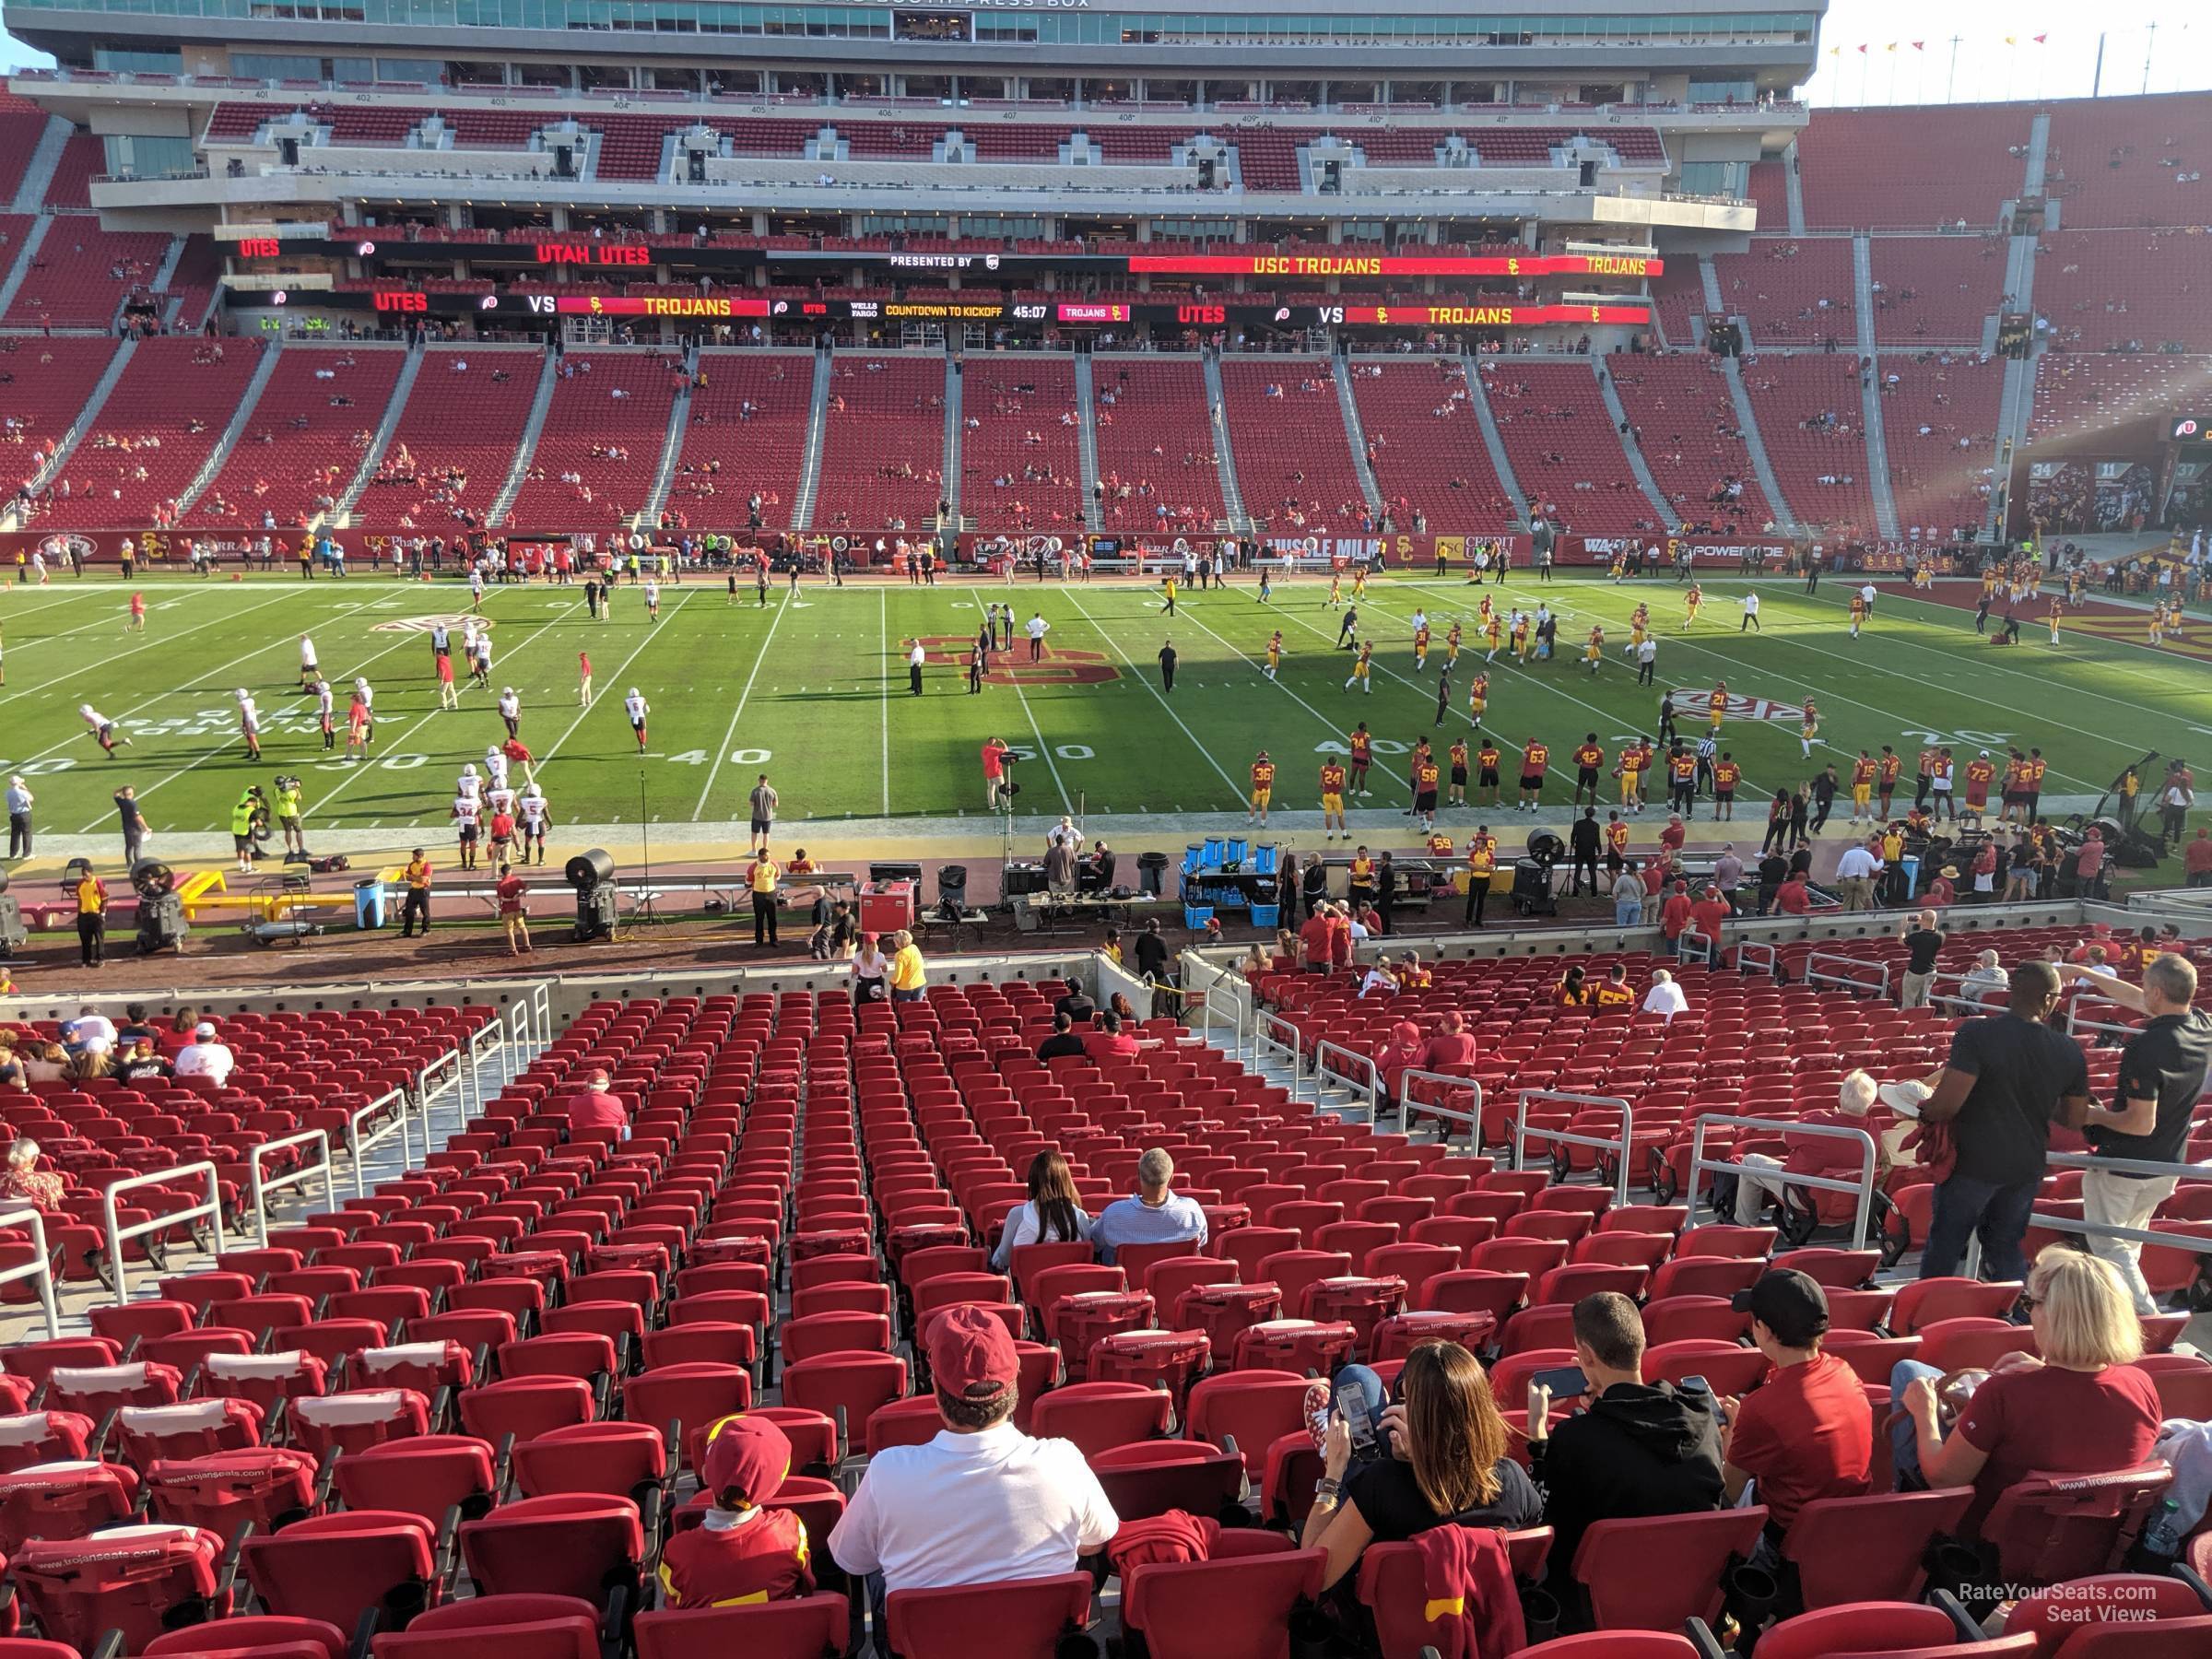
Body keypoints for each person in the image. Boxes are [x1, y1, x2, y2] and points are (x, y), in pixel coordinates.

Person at [828, 1304, 1118, 1603]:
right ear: (1016, 1378)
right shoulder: (1063, 1461)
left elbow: (853, 1559)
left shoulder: (886, 1472)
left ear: (937, 1391)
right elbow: (1095, 1542)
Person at [1888, 1248, 2161, 1535]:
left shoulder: (2003, 1393)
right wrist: (2049, 1369)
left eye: (2032, 1303)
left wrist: (1924, 1413)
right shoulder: (2141, 1384)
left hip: (1986, 1545)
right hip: (2088, 1543)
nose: (2029, 1313)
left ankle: (1903, 1523)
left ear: (2055, 1316)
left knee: (1910, 1373)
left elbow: (1944, 1481)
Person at [1300, 1342, 1542, 1594]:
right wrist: (1419, 1456)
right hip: (1474, 1610)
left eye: (1407, 1402)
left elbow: (1314, 1576)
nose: (1400, 1410)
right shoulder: (1513, 1479)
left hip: (1381, 1621)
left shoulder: (1381, 1483)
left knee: (1355, 1377)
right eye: (1400, 1399)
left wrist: (1335, 1470)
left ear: (1421, 1422)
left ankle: (1336, 1452)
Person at [1909, 961, 2091, 1281]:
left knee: (1945, 1246)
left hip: (1972, 1165)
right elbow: (2074, 1119)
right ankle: (2017, 1314)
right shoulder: (2068, 1049)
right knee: (2004, 1246)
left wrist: (1924, 1112)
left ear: (2010, 991)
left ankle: (1926, 1319)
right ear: (2050, 999)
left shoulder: (1976, 1033)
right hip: (2026, 1167)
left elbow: (1948, 1104)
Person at [1527, 1293, 1724, 1580]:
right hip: (1691, 1585)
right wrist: (1605, 1408)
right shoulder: (1704, 1416)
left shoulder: (1576, 1439)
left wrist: (1538, 1435)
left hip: (1597, 1598)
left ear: (1585, 1354)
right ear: (1642, 1345)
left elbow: (1551, 1528)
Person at [2057, 953, 2212, 1315]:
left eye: (2146, 989)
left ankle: (2146, 1319)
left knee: (2109, 1244)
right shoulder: (2202, 1024)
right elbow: (2132, 997)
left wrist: (2093, 1114)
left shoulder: (2146, 1047)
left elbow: (2141, 1123)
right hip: (2169, 1165)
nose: (2140, 995)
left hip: (2127, 1165)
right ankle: (2122, 1312)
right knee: (2129, 1245)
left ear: (2157, 992)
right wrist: (2083, 973)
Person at [1718, 1271, 1872, 1553]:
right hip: (1849, 1525)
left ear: (1763, 1330)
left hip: (1784, 1539)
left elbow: (1728, 1493)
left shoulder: (1761, 1409)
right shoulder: (1844, 1372)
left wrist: (1732, 1434)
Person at [658, 1415, 813, 1607]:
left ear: (706, 1474)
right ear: (775, 1487)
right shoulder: (790, 1532)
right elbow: (808, 1589)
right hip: (776, 1637)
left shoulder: (676, 1554)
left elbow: (674, 1616)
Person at [1729, 1069, 1879, 1226]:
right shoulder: (1874, 1128)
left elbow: (1785, 1137)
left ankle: (1746, 1226)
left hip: (1803, 1196)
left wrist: (1821, 1121)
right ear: (1870, 1107)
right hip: (1853, 1200)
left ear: (1839, 1098)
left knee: (1749, 1162)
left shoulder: (1817, 1125)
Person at [1091, 1148, 1206, 1264]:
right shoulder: (1192, 1211)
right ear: (1171, 1179)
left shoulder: (1114, 1213)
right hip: (1177, 1279)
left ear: (1139, 1176)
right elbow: (1202, 1241)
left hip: (1128, 1281)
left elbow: (1095, 1242)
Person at [990, 1150, 1093, 1269]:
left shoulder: (1017, 1215)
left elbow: (1004, 1259)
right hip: (1072, 1286)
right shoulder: (1080, 1217)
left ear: (1033, 1181)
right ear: (1066, 1181)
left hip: (1027, 1287)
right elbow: (1087, 1257)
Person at [1898, 911, 1946, 1009]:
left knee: (1909, 1001)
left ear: (1923, 920)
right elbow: (1929, 934)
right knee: (1924, 999)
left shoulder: (1916, 937)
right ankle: (1925, 1020)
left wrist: (1902, 929)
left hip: (1915, 971)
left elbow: (1901, 942)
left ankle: (1910, 1021)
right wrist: (1924, 922)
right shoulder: (1940, 937)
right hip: (1931, 971)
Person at [567, 1068, 629, 1140]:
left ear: (588, 1085)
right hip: (612, 1147)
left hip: (581, 1146)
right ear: (607, 1086)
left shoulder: (574, 1102)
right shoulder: (617, 1101)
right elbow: (623, 1124)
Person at [174, 1020, 235, 1087]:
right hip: (216, 1091)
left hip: (190, 1089)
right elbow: (230, 1069)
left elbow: (178, 1073)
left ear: (196, 1036)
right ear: (214, 1037)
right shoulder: (223, 1050)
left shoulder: (185, 1051)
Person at [73, 865, 107, 968]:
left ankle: (100, 959)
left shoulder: (98, 883)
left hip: (96, 915)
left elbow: (105, 898)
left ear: (91, 873)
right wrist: (79, 912)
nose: (84, 877)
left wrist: (102, 913)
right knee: (85, 939)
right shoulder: (80, 884)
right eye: (83, 875)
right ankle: (86, 960)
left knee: (99, 938)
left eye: (86, 875)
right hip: (83, 915)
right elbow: (79, 899)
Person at [495, 861, 531, 957]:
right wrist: (519, 895)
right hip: (517, 908)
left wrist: (511, 899)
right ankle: (527, 945)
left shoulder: (500, 884)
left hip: (507, 910)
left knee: (509, 930)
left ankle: (513, 949)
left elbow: (502, 899)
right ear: (510, 871)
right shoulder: (516, 880)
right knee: (522, 926)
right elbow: (528, 887)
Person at [747, 849, 782, 947]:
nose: (767, 858)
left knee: (773, 918)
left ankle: (773, 939)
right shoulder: (753, 866)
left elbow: (778, 875)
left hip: (771, 894)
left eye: (768, 856)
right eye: (765, 856)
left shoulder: (774, 864)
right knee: (759, 918)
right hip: (758, 895)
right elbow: (749, 880)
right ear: (760, 856)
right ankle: (759, 940)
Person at [398, 849, 433, 938]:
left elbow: (423, 880)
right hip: (413, 890)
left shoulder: (427, 866)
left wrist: (413, 877)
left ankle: (426, 930)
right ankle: (407, 931)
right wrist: (415, 877)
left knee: (425, 911)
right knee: (409, 911)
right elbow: (407, 877)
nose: (412, 857)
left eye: (414, 856)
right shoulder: (412, 865)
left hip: (423, 890)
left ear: (420, 856)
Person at [888, 930, 926, 1002]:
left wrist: (891, 981)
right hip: (920, 983)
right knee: (917, 1008)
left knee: (906, 1009)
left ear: (898, 942)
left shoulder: (899, 955)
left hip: (905, 988)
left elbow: (897, 977)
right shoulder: (914, 947)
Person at [851, 934, 890, 1005]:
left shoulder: (858, 955)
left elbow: (854, 971)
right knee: (877, 1003)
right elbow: (885, 970)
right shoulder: (880, 956)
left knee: (863, 1004)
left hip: (862, 983)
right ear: (875, 943)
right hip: (877, 982)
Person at [747, 775, 779, 855]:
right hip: (768, 816)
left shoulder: (755, 791)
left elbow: (751, 803)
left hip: (757, 816)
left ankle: (754, 850)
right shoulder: (772, 791)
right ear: (767, 780)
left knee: (754, 833)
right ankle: (765, 851)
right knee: (766, 834)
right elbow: (776, 804)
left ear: (759, 780)